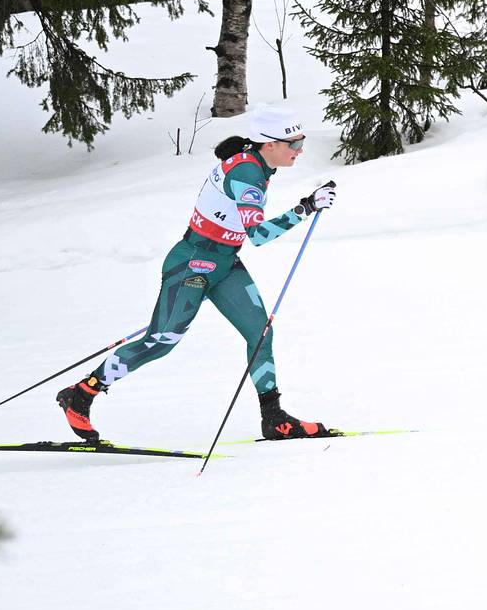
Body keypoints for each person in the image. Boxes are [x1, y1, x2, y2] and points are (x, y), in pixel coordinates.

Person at [55, 105, 337, 444]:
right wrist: (306, 207)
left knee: (260, 332)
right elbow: (259, 236)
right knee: (160, 342)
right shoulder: (248, 174)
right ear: (269, 144)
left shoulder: (256, 163)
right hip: (193, 263)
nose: (300, 150)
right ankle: (81, 394)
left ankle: (273, 417)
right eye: (293, 143)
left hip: (224, 263)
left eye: (301, 141)